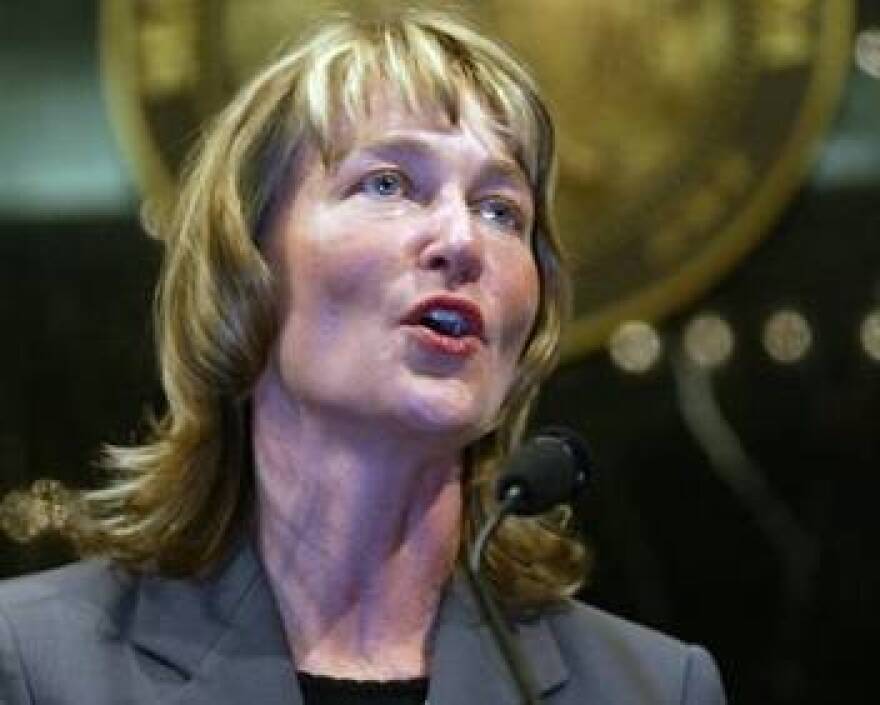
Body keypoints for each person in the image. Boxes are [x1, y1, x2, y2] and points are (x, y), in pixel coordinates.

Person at [0, 10, 726, 704]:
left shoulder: (653, 690)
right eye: (388, 184)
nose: (463, 240)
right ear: (247, 264)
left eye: (500, 210)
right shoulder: (33, 663)